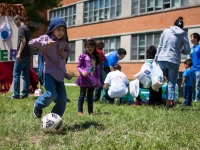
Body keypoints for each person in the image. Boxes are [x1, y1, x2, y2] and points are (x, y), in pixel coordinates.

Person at [29, 17, 72, 118]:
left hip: (60, 74)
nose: (61, 32)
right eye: (58, 29)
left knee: (62, 100)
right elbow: (31, 43)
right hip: (48, 72)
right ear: (52, 28)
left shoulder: (64, 42)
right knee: (51, 94)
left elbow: (69, 52)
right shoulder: (46, 38)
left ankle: (54, 118)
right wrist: (45, 44)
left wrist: (65, 54)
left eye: (63, 29)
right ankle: (38, 105)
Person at [155, 16, 191, 109]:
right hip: (173, 61)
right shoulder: (183, 34)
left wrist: (156, 58)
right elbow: (187, 50)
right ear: (182, 26)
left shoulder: (165, 31)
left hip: (162, 59)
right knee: (171, 83)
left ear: (174, 24)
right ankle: (167, 106)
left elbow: (160, 46)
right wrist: (180, 50)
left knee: (159, 80)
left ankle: (155, 101)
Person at [76, 38, 101, 116]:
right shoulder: (83, 56)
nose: (90, 48)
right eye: (88, 47)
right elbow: (78, 66)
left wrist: (97, 78)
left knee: (90, 96)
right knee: (82, 95)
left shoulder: (95, 57)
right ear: (85, 47)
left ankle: (90, 112)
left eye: (92, 47)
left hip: (92, 79)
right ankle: (80, 111)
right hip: (84, 78)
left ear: (94, 48)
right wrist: (82, 71)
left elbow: (95, 68)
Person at [10, 15, 31, 99]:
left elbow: (23, 41)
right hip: (27, 54)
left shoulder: (21, 28)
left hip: (21, 55)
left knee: (16, 74)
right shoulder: (27, 28)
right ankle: (25, 94)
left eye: (15, 21)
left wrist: (18, 53)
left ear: (18, 19)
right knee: (25, 75)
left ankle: (16, 94)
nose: (15, 23)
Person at [189, 33, 200, 102]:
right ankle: (192, 98)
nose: (190, 39)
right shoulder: (191, 48)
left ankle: (197, 99)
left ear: (195, 38)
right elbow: (190, 57)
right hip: (192, 69)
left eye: (191, 38)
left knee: (197, 85)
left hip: (198, 69)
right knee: (191, 84)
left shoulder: (199, 47)